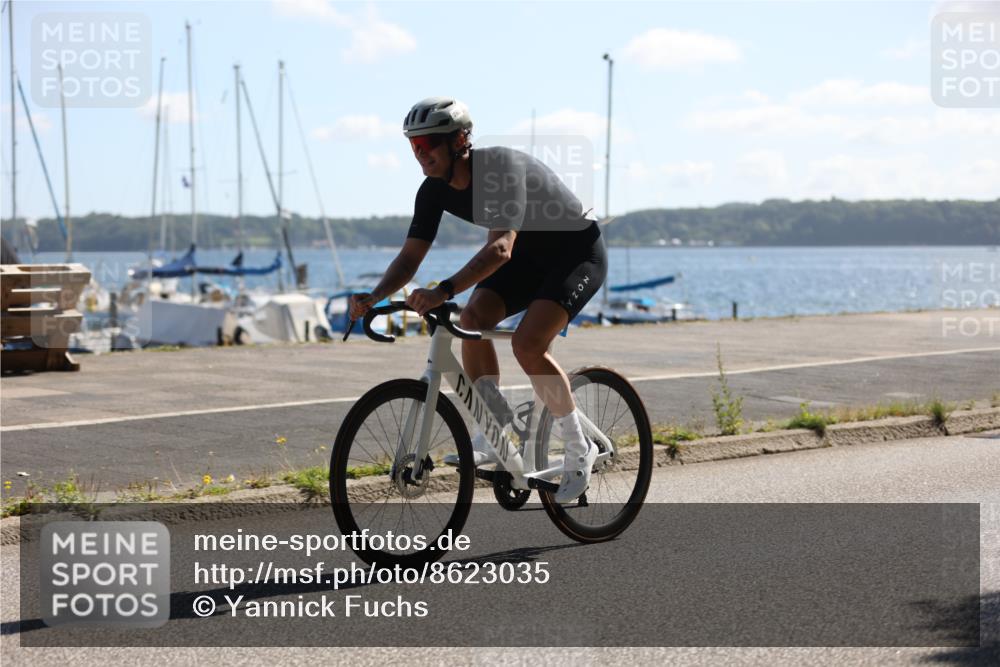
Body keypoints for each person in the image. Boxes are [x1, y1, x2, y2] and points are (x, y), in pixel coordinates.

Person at [349, 97, 607, 503]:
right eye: (414, 146)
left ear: (459, 141)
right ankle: (495, 425)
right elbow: (410, 258)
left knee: (527, 344)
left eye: (428, 144)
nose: (421, 154)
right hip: (527, 260)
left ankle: (579, 448)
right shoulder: (432, 190)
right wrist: (374, 297)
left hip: (574, 254)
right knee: (471, 321)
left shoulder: (499, 169)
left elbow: (501, 248)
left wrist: (443, 290)